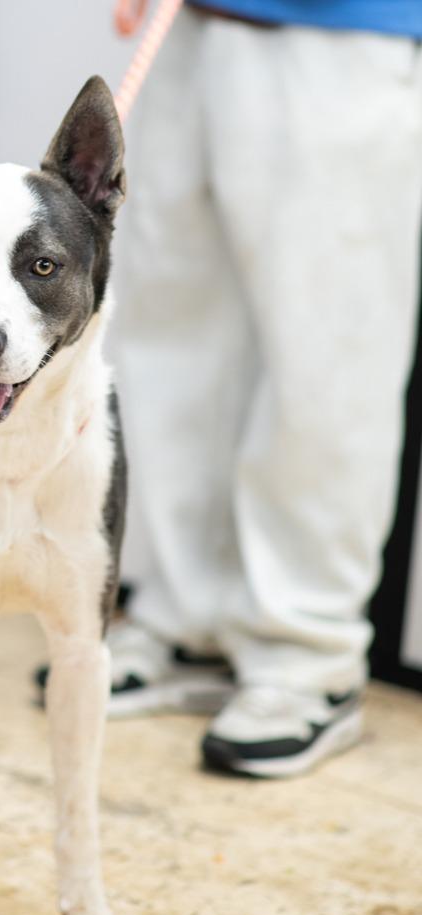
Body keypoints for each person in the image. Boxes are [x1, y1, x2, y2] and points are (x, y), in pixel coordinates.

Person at [109, 0, 422, 776]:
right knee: (174, 328)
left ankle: (305, 655)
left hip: (344, 30)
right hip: (195, 21)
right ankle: (192, 621)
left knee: (327, 350)